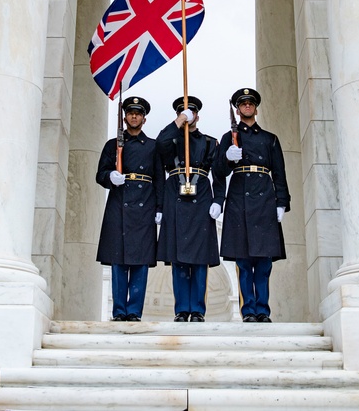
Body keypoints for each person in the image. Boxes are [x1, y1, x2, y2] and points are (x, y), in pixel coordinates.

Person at [213, 87, 290, 323]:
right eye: (243, 103)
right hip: (239, 200)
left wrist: (282, 202)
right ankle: (248, 311)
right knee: (244, 262)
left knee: (264, 263)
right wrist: (228, 157)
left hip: (265, 200)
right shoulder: (229, 138)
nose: (247, 106)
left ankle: (263, 310)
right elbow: (218, 172)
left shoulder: (269, 139)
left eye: (250, 103)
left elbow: (279, 172)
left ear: (255, 108)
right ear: (237, 109)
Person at [155, 96, 224, 322]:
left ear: (198, 116)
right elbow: (159, 143)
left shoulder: (209, 142)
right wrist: (180, 121)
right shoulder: (171, 141)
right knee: (179, 259)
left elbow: (220, 175)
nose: (189, 117)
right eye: (184, 113)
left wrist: (218, 200)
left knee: (200, 259)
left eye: (192, 113)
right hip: (175, 198)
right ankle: (181, 309)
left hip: (201, 198)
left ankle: (198, 310)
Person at [95, 96, 163, 321]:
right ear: (124, 117)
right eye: (131, 112)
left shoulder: (153, 146)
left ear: (144, 118)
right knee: (118, 261)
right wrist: (110, 176)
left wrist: (160, 208)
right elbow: (100, 174)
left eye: (138, 113)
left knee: (140, 262)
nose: (134, 116)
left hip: (144, 206)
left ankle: (134, 311)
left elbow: (159, 179)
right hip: (119, 206)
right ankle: (119, 311)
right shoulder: (112, 145)